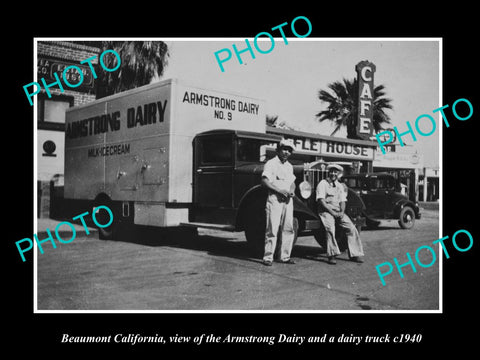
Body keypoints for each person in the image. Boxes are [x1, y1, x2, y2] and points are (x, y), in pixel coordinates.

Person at [316, 164, 364, 265]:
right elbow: (321, 201)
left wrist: (342, 212)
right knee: (330, 229)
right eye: (332, 171)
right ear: (329, 173)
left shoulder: (340, 185)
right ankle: (332, 255)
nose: (333, 174)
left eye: (335, 172)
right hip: (326, 211)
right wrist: (332, 212)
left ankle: (355, 254)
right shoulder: (323, 183)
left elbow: (343, 201)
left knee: (351, 227)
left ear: (338, 174)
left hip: (338, 211)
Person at [260, 139, 297, 266]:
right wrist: (279, 190)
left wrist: (291, 191)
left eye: (289, 150)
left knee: (288, 228)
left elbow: (292, 183)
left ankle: (284, 257)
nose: (286, 152)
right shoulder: (271, 164)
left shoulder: (289, 166)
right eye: (284, 149)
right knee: (272, 228)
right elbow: (265, 181)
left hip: (288, 200)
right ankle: (268, 257)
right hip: (275, 199)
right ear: (278, 150)